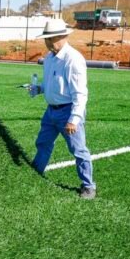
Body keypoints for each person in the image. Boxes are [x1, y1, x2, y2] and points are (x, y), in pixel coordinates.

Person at [29, 19, 96, 199]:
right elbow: (52, 84)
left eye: (50, 38)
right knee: (43, 143)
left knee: (78, 150)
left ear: (62, 37)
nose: (47, 42)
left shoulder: (73, 59)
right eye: (46, 39)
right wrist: (39, 89)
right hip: (51, 111)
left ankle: (88, 186)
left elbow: (80, 93)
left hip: (68, 111)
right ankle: (34, 175)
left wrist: (74, 119)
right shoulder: (49, 59)